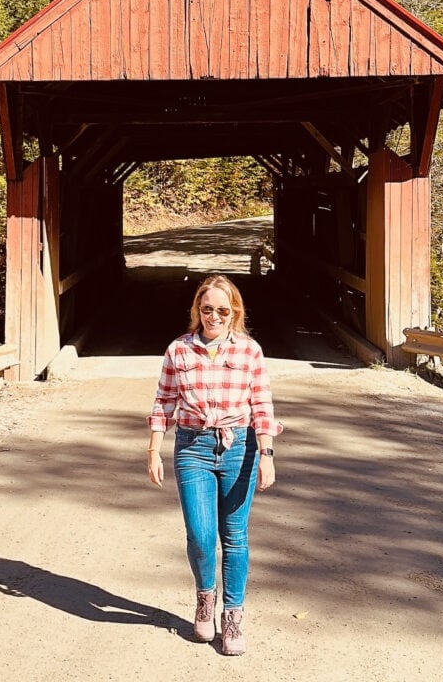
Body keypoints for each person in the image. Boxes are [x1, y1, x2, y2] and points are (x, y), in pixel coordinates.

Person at [146, 273, 283, 656]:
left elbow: (262, 405)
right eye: (207, 309)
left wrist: (267, 455)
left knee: (235, 536)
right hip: (192, 447)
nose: (214, 316)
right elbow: (164, 401)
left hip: (240, 447)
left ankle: (233, 616)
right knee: (201, 536)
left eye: (223, 310)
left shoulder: (249, 351)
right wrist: (153, 450)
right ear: (197, 311)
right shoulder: (179, 350)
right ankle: (205, 599)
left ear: (234, 312)